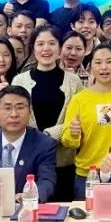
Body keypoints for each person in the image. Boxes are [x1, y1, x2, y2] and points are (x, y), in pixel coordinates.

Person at [11, 26, 83, 201]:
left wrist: (51, 134)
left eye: (52, 43)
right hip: (29, 160)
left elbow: (78, 118)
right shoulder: (20, 80)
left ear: (60, 48)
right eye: (40, 44)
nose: (46, 49)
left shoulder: (73, 81)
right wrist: (38, 138)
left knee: (63, 212)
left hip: (64, 161)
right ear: (33, 48)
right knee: (29, 208)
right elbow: (15, 117)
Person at [61, 44, 111, 198]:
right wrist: (73, 134)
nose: (104, 67)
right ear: (91, 68)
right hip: (89, 174)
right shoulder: (79, 99)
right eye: (98, 62)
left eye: (109, 61)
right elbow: (68, 142)